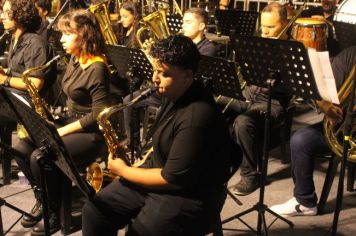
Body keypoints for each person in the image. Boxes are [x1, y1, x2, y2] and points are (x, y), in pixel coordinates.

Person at [82, 34, 241, 236]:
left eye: (164, 73)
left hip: (189, 195)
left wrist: (122, 170)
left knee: (140, 232)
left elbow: (171, 179)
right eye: (155, 70)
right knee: (95, 211)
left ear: (188, 75)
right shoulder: (173, 92)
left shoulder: (197, 116)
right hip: (161, 173)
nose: (155, 79)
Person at [13, 9, 111, 235]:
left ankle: (54, 212)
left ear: (84, 35)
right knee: (21, 148)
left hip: (91, 133)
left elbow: (98, 113)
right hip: (70, 123)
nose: (62, 39)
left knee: (40, 156)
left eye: (68, 34)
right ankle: (43, 199)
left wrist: (63, 129)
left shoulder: (96, 67)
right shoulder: (75, 60)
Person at [270, 46, 356, 216]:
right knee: (301, 140)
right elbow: (325, 90)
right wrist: (326, 105)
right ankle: (305, 201)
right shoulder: (351, 54)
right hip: (345, 126)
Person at [218, 2, 291, 196]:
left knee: (243, 122)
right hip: (248, 96)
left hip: (273, 103)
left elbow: (293, 89)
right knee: (214, 101)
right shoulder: (257, 44)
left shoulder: (292, 50)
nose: (265, 32)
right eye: (263, 27)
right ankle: (216, 161)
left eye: (271, 27)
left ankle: (251, 176)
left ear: (284, 23)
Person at [122, 7, 216, 152]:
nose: (182, 26)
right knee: (129, 100)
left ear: (201, 26)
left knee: (163, 113)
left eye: (188, 22)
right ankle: (133, 145)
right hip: (165, 87)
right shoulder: (177, 44)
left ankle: (160, 149)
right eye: (183, 22)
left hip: (183, 92)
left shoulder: (207, 48)